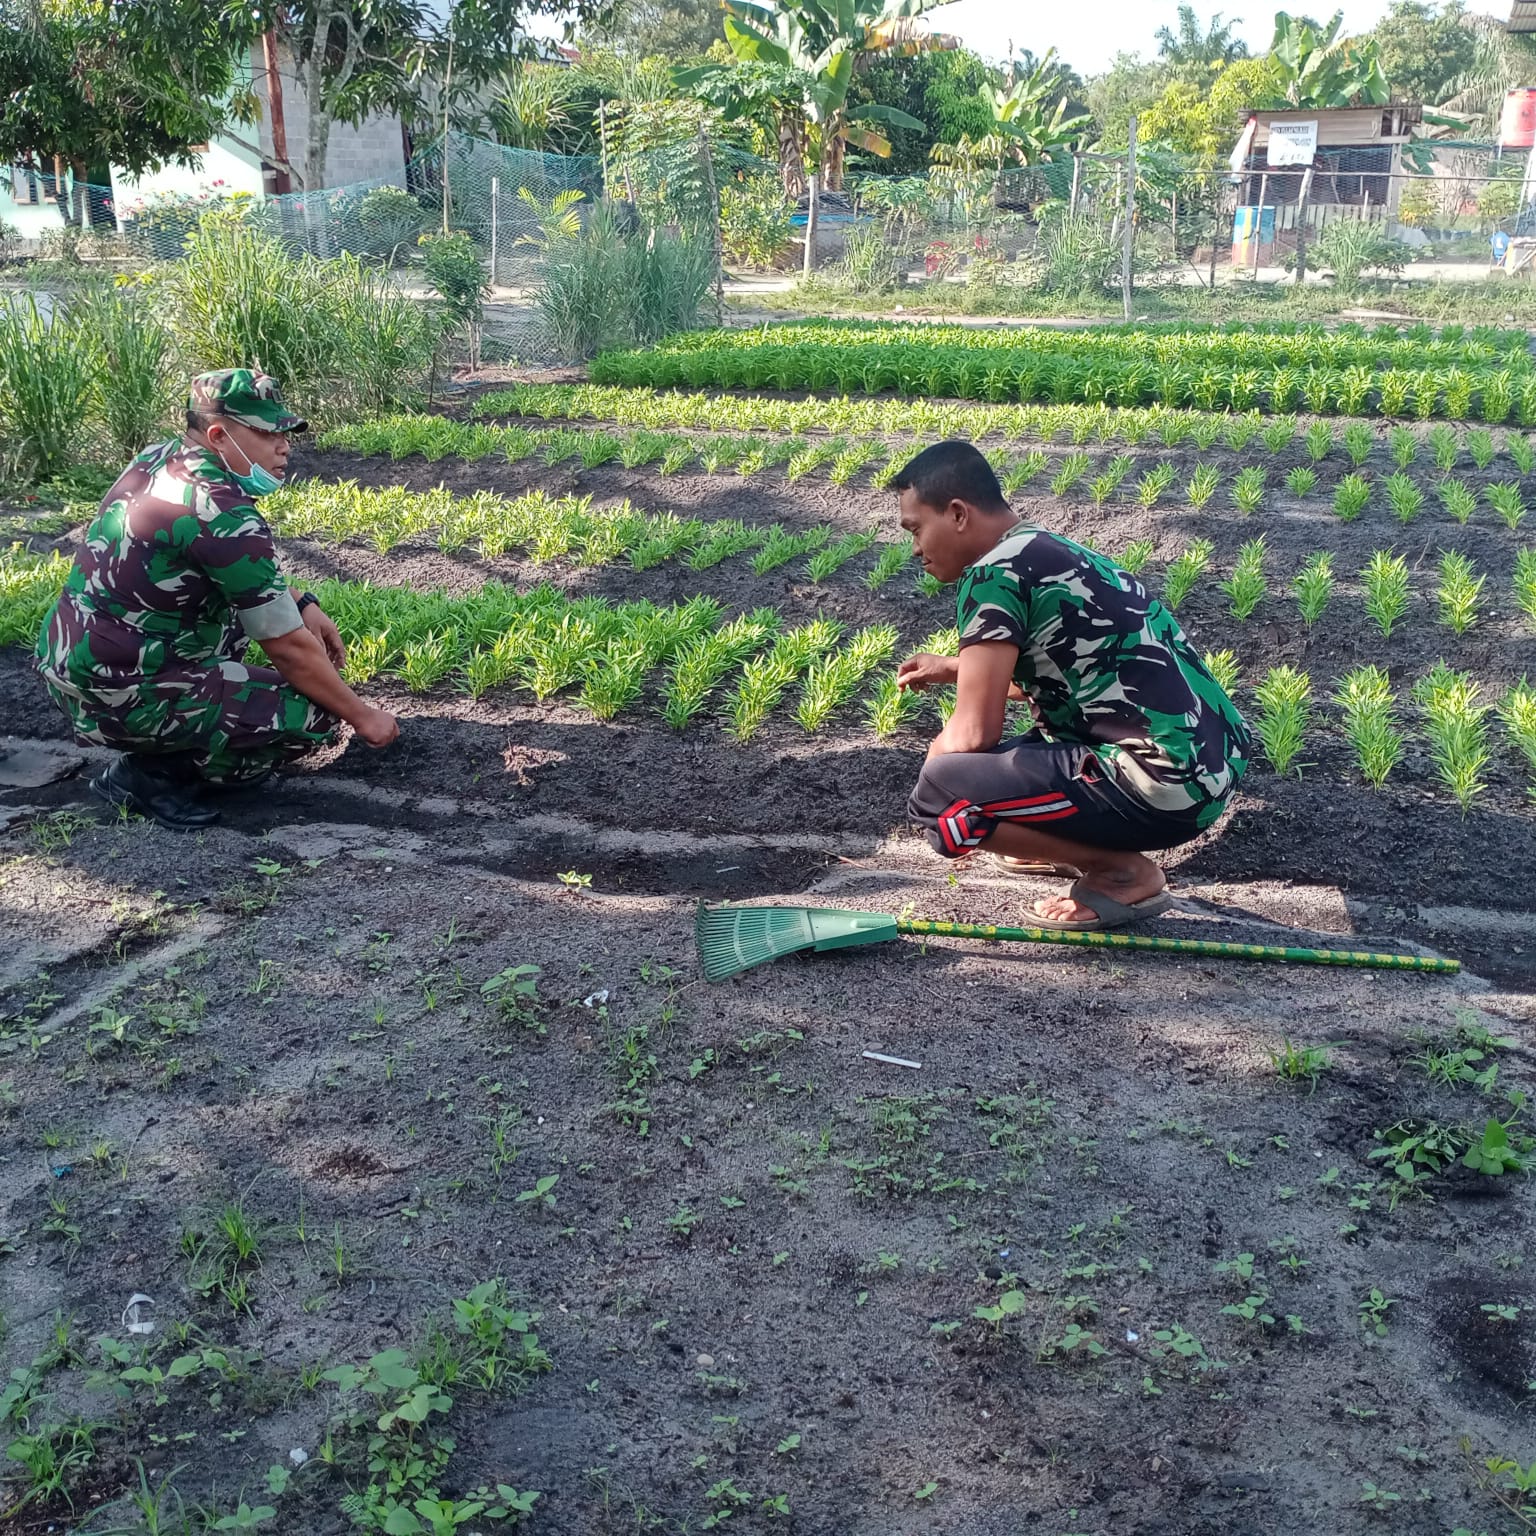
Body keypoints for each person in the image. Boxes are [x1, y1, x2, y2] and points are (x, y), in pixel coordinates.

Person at [895, 440, 1251, 931]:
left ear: (957, 513)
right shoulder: (1046, 549)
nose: (914, 549)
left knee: (943, 798)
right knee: (998, 766)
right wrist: (956, 667)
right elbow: (1078, 676)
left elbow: (973, 733)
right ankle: (1053, 843)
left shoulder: (990, 576)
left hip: (1163, 786)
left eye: (915, 529)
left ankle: (1120, 872)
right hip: (1212, 765)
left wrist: (936, 787)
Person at [34, 368, 399, 831]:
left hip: (71, 663)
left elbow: (220, 571)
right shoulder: (220, 509)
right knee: (313, 712)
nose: (285, 446)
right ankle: (152, 774)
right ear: (219, 435)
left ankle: (174, 738)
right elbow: (287, 647)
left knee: (235, 625)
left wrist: (302, 600)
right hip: (118, 692)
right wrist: (364, 717)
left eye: (285, 432)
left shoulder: (158, 460)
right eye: (268, 433)